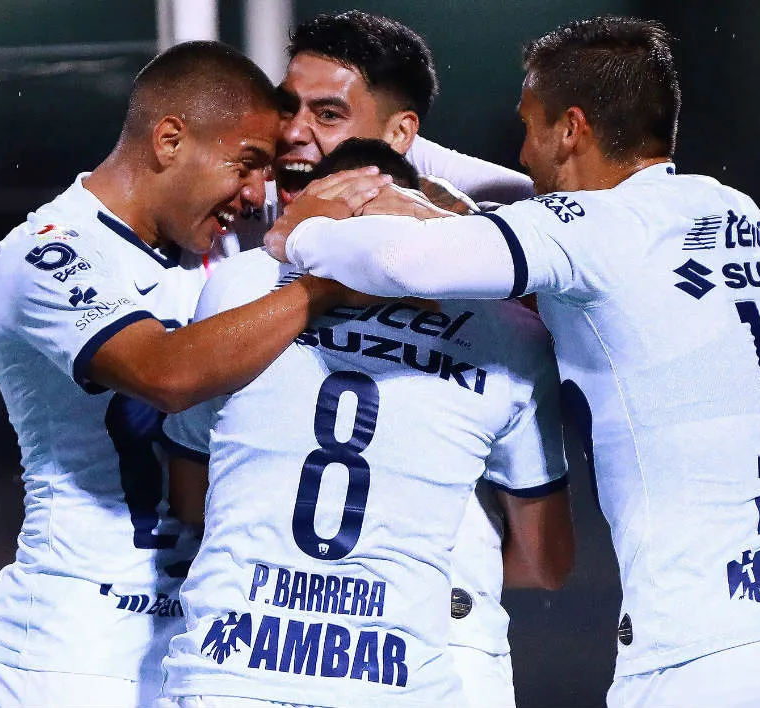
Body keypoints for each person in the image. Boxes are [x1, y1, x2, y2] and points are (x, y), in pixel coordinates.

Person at [264, 16, 760, 707]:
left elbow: (405, 259)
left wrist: (301, 232)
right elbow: (539, 226)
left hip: (707, 646)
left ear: (571, 129)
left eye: (531, 125)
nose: (523, 150)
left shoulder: (586, 233)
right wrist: (412, 181)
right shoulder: (730, 209)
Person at [0, 40, 390, 707]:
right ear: (169, 140)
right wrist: (325, 286)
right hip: (72, 652)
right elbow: (165, 373)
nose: (256, 195)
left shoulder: (222, 258)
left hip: (197, 647)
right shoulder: (51, 251)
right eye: (246, 165)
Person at [159, 138, 571, 708]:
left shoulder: (237, 285)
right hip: (399, 681)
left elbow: (190, 500)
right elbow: (547, 559)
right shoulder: (506, 330)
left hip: (232, 675)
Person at [224, 13, 555, 706]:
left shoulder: (476, 232)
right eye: (289, 107)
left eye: (328, 112)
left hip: (440, 632)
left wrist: (422, 571)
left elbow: (539, 209)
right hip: (268, 636)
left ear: (404, 135)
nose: (294, 132)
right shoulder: (237, 216)